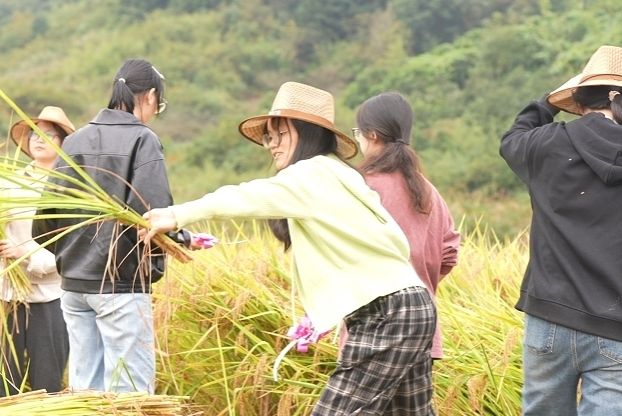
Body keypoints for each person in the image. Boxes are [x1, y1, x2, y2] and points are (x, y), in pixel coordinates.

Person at [143, 81, 437, 415]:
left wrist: (176, 214)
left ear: (304, 132)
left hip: (386, 313)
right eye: (267, 137)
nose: (271, 145)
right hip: (414, 305)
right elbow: (396, 242)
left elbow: (246, 196)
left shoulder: (310, 174)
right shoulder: (341, 173)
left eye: (278, 134)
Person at [35, 59, 172, 393]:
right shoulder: (143, 139)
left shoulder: (75, 141)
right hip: (121, 286)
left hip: (74, 288)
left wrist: (71, 258)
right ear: (150, 96)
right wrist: (168, 250)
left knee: (86, 394)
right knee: (130, 396)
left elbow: (43, 224)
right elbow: (154, 214)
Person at [500, 44, 622, 415]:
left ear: (580, 99)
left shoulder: (546, 144)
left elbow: (512, 138)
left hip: (549, 316)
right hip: (616, 325)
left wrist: (547, 102)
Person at [354, 91, 460, 360]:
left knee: (349, 392)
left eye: (358, 132)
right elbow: (450, 253)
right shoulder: (427, 190)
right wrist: (420, 281)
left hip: (373, 327)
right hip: (423, 326)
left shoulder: (361, 187)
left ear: (372, 135)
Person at [0, 106, 73, 395]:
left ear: (63, 142)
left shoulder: (70, 188)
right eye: (34, 134)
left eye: (49, 134)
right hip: (9, 294)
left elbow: (72, 246)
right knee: (6, 378)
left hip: (50, 294)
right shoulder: (10, 183)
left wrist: (26, 254)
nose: (38, 139)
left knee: (48, 378)